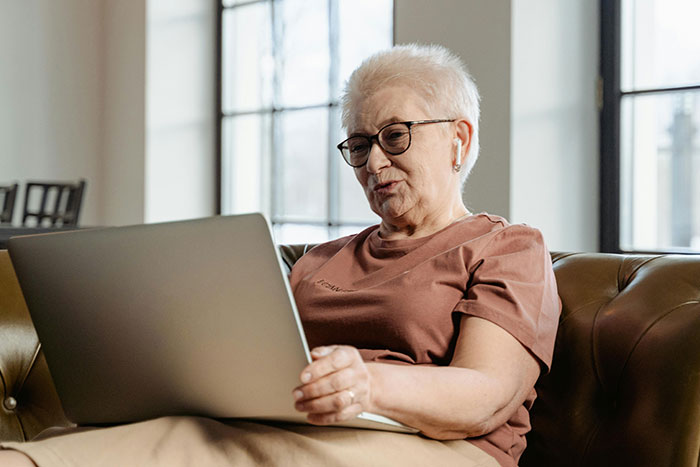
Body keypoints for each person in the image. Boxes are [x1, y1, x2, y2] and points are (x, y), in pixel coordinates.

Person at [0, 44, 560, 467]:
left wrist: (367, 385)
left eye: (394, 136)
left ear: (459, 139)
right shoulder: (321, 260)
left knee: (206, 451)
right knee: (129, 441)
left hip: (441, 449)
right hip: (294, 432)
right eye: (360, 145)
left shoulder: (507, 247)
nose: (372, 163)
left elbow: (484, 396)